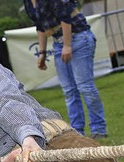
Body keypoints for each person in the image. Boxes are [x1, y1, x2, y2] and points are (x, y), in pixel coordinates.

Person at [24, 0, 108, 139]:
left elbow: (65, 18)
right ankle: (77, 132)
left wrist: (67, 46)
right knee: (69, 91)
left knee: (85, 86)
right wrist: (42, 53)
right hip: (58, 42)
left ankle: (99, 129)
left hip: (78, 37)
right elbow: (40, 27)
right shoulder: (28, 2)